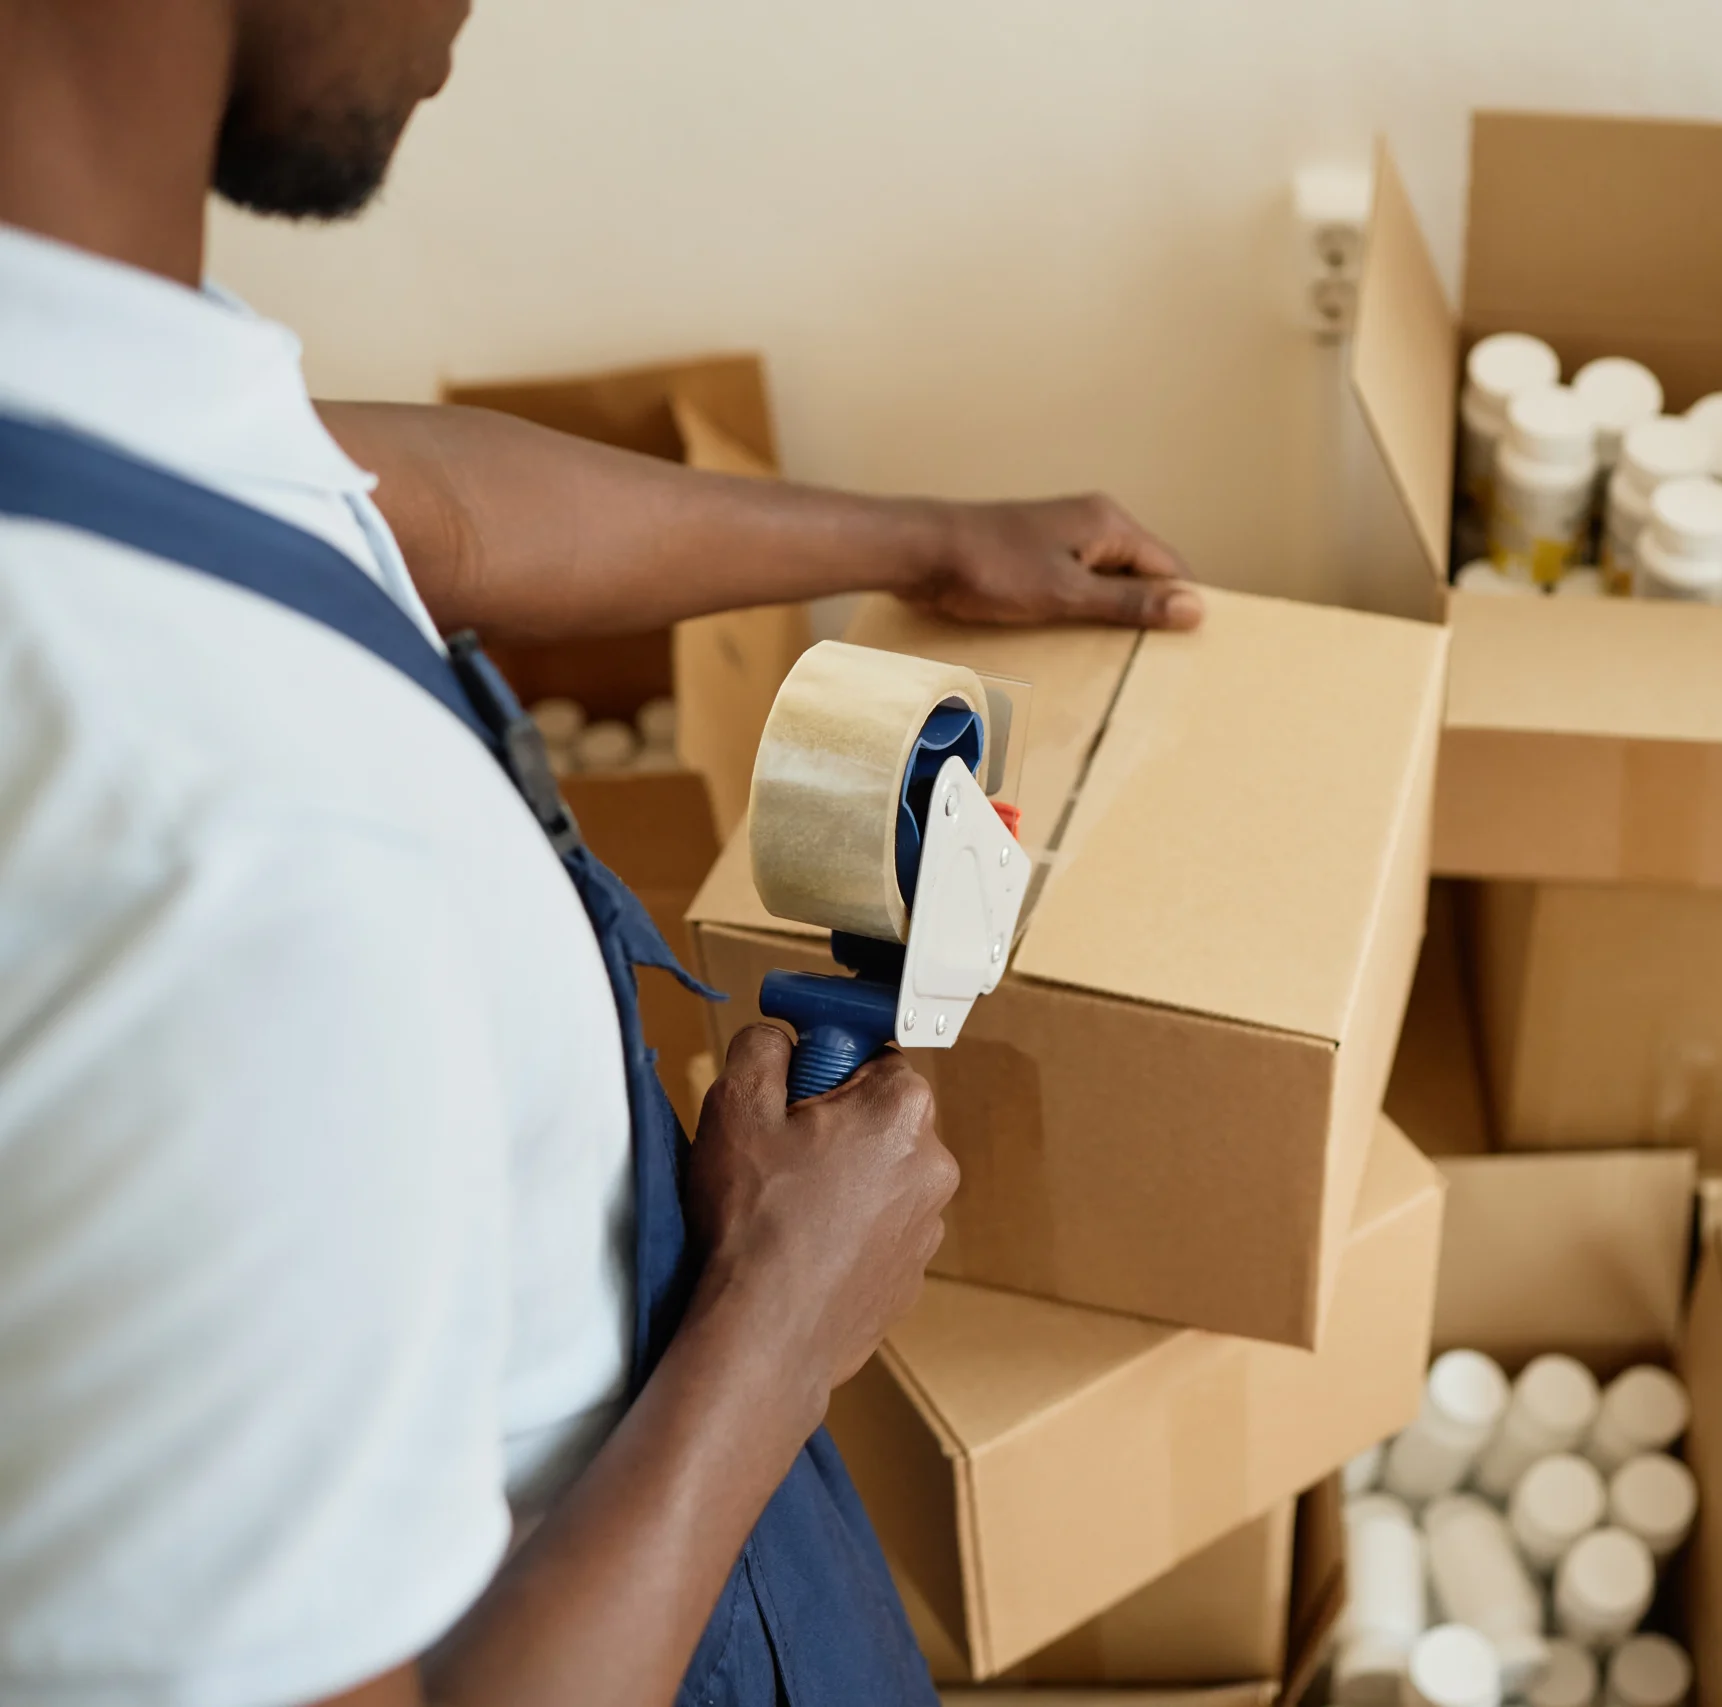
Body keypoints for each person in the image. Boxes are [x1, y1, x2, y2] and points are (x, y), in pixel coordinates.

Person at [0, 2, 1199, 1703]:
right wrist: (775, 1323)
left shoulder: (81, 369)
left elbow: (400, 501)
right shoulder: (238, 856)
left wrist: (926, 534)